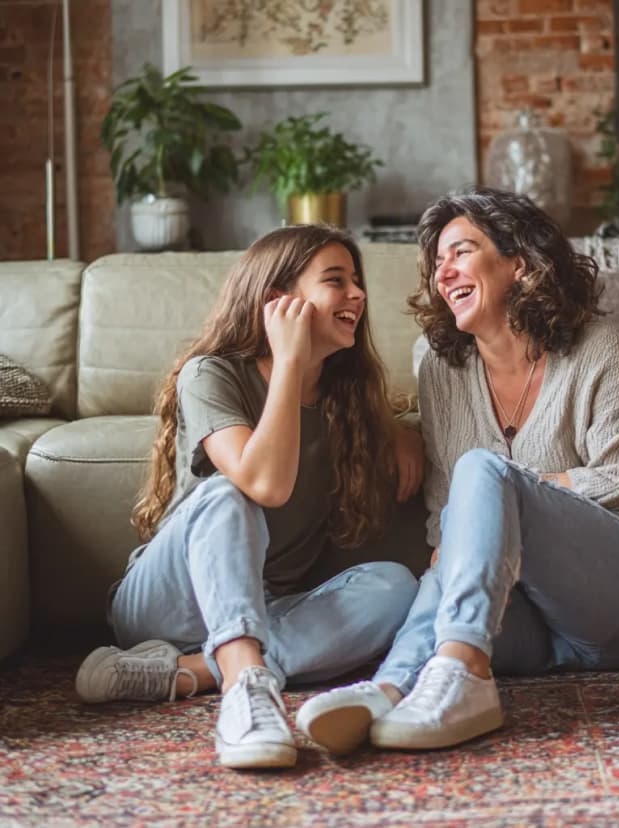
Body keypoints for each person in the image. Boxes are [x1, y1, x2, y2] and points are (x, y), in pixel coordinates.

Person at [295, 187, 619, 754]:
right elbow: (442, 531)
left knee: (483, 475)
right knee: (449, 567)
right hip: (521, 619)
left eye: (460, 252)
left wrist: (507, 503)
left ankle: (462, 676)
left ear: (519, 265)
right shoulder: (441, 370)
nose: (442, 272)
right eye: (437, 263)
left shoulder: (598, 348)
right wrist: (478, 521)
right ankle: (389, 687)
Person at [75, 225, 424, 770]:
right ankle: (242, 688)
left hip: (266, 610)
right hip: (168, 600)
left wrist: (403, 431)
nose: (357, 294)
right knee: (229, 497)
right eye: (337, 280)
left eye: (356, 281)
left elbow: (390, 414)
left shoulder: (349, 400)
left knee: (396, 587)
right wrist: (288, 361)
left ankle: (189, 671)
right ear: (277, 303)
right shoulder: (210, 374)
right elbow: (265, 483)